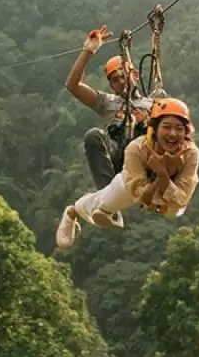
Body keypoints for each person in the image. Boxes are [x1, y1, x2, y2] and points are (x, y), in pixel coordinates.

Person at [55, 97, 199, 250]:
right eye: (167, 127)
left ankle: (103, 211)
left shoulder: (190, 154)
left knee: (172, 210)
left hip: (168, 197)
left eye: (179, 129)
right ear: (154, 129)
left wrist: (163, 174)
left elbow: (181, 200)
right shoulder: (136, 149)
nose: (172, 134)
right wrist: (160, 177)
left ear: (186, 133)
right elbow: (141, 197)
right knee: (105, 202)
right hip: (137, 185)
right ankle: (73, 211)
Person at [64, 25, 153, 227]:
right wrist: (88, 51)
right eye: (115, 80)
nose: (121, 82)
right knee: (94, 135)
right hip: (119, 164)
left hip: (145, 166)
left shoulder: (153, 105)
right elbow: (72, 86)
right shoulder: (108, 102)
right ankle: (109, 205)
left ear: (135, 75)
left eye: (124, 76)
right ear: (111, 85)